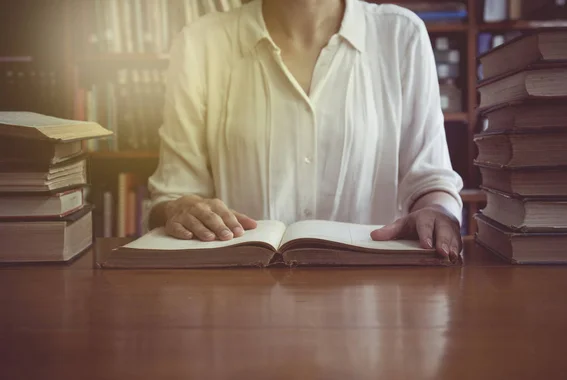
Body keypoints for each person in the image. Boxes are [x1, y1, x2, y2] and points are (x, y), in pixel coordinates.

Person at [148, 0, 464, 262]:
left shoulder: (401, 35)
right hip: (240, 296)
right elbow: (173, 194)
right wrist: (182, 210)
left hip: (371, 299)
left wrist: (437, 211)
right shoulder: (200, 43)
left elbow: (430, 179)